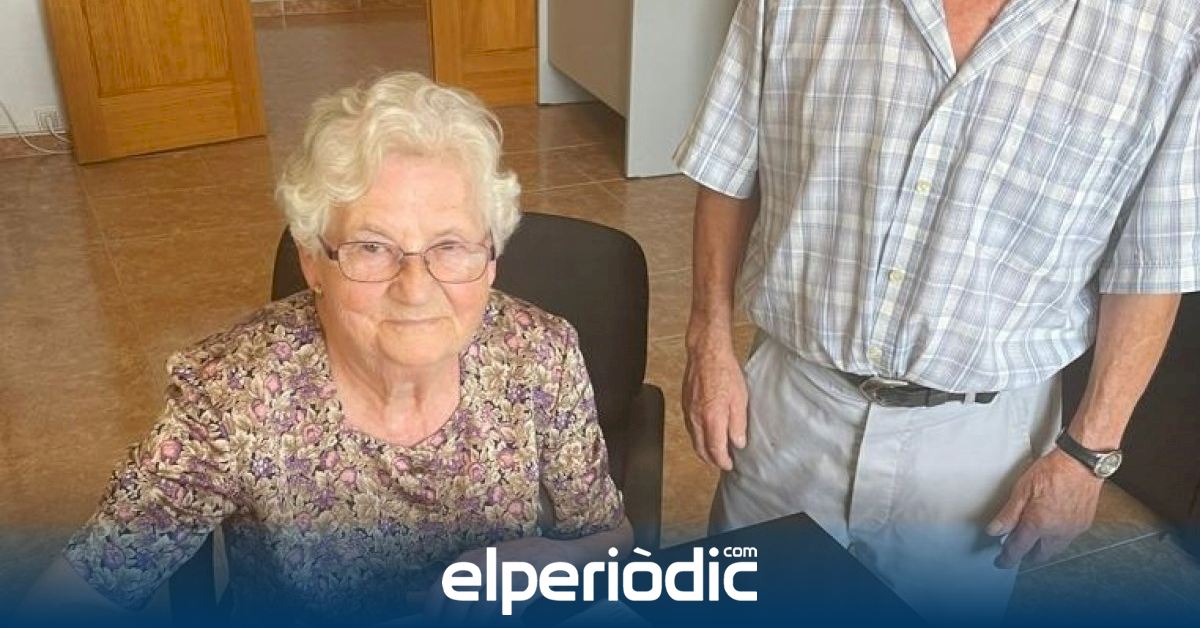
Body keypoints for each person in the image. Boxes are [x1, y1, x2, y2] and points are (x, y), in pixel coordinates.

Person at [22, 71, 631, 626]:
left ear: (491, 257)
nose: (415, 289)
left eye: (450, 246)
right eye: (373, 247)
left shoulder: (539, 355)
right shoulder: (234, 394)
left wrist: (547, 560)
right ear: (313, 260)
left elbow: (611, 539)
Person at [677, 0, 1195, 622]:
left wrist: (1090, 453)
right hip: (791, 407)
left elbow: (1153, 264)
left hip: (982, 450)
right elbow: (727, 167)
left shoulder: (1169, 25)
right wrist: (708, 341)